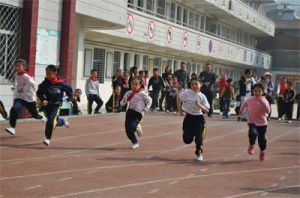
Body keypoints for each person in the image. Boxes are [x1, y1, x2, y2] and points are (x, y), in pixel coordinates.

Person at [5, 59, 44, 136]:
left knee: (35, 115)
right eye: (16, 66)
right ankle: (12, 128)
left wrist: (24, 89)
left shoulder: (27, 76)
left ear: (24, 67)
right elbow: (16, 82)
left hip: (29, 99)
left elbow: (34, 85)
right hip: (19, 98)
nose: (17, 67)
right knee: (14, 109)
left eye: (19, 66)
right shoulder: (17, 74)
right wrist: (15, 86)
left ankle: (42, 117)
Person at [37, 65, 73, 146]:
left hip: (56, 105)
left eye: (49, 73)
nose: (47, 75)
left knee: (50, 121)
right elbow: (39, 92)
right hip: (47, 105)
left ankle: (47, 138)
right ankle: (63, 121)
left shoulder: (61, 84)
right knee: (53, 121)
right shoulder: (44, 84)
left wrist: (69, 99)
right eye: (46, 73)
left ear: (55, 73)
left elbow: (69, 90)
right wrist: (43, 99)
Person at [177, 79, 210, 161]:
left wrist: (199, 105)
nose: (194, 86)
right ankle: (191, 135)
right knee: (187, 140)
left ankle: (199, 153)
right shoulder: (186, 93)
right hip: (188, 118)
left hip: (199, 119)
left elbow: (207, 110)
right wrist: (180, 110)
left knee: (199, 138)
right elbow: (178, 98)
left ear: (200, 85)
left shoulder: (202, 96)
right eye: (192, 84)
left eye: (196, 84)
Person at [239, 83, 270, 161]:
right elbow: (244, 104)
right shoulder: (250, 99)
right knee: (252, 133)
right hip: (252, 121)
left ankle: (262, 151)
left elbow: (268, 111)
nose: (257, 93)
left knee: (261, 139)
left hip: (262, 123)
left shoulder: (264, 100)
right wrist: (241, 111)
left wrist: (262, 102)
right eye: (255, 91)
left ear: (262, 92)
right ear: (253, 91)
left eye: (259, 91)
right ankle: (251, 145)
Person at [121, 78, 152, 149]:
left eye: (136, 84)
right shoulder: (128, 93)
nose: (134, 86)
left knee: (131, 127)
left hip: (138, 113)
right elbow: (122, 103)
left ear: (139, 85)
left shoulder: (142, 93)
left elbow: (150, 100)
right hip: (130, 112)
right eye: (132, 84)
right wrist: (124, 102)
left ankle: (137, 127)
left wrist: (146, 108)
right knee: (127, 130)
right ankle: (134, 142)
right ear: (130, 84)